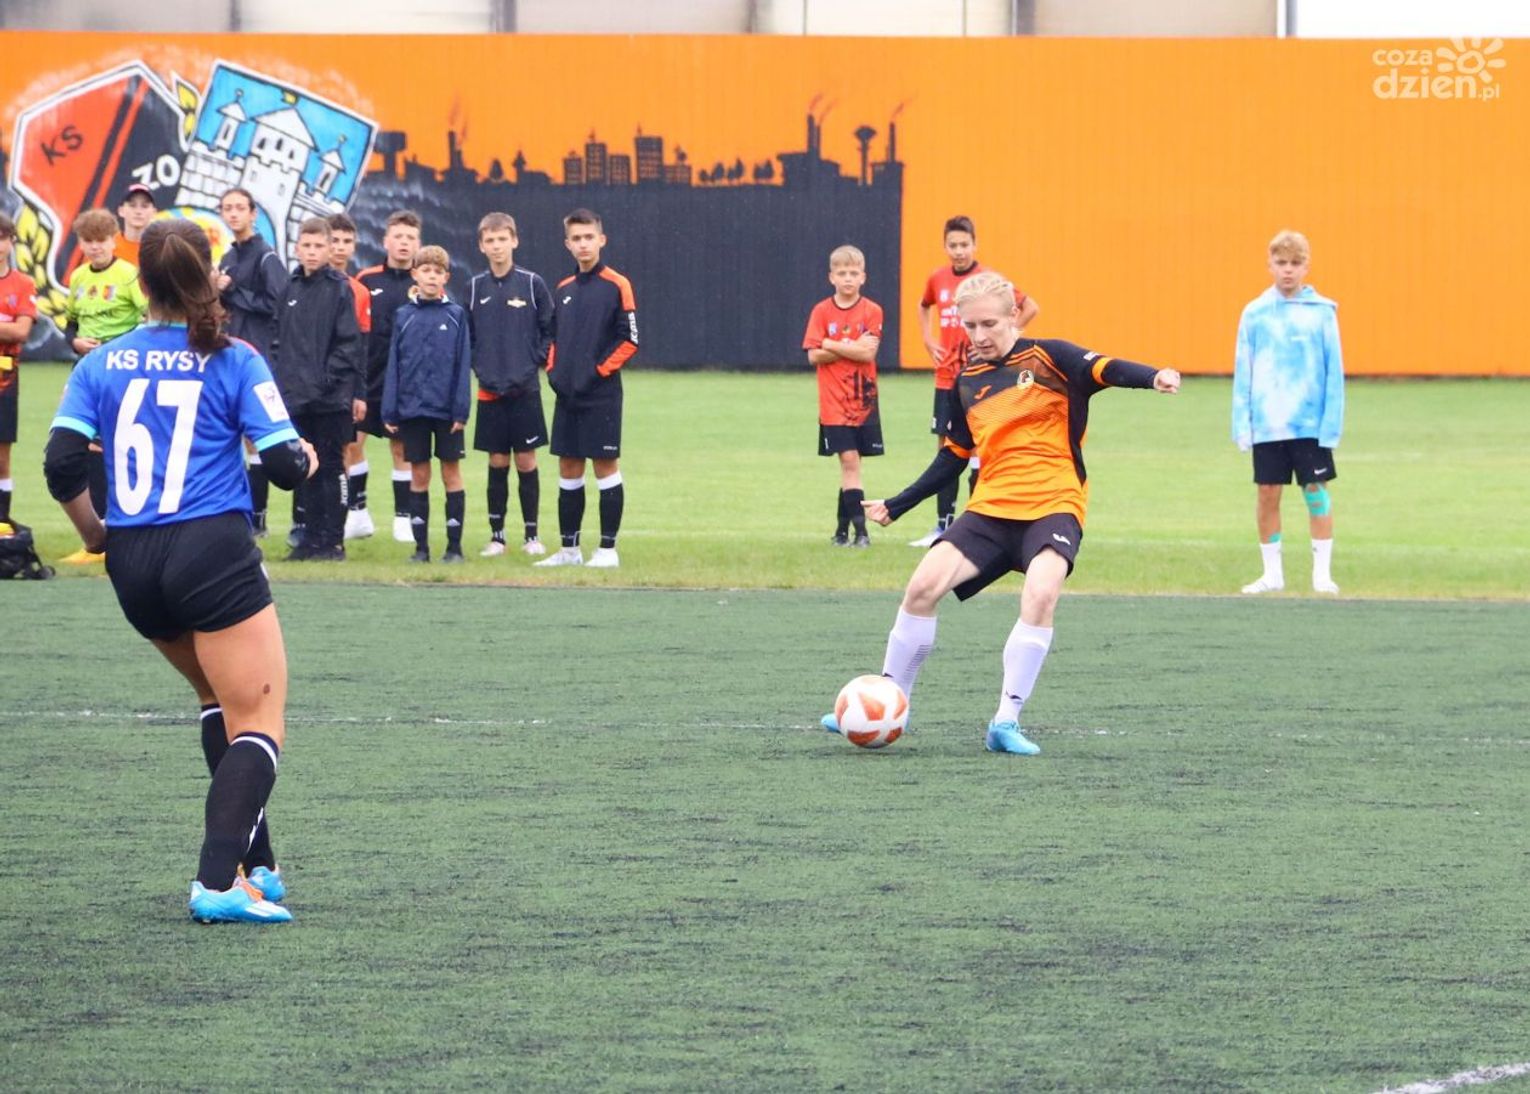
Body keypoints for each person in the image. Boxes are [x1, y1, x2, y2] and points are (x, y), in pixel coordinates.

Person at [42, 218, 317, 923]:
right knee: (260, 720)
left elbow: (61, 464)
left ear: (140, 283)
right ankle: (216, 883)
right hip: (210, 550)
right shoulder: (233, 356)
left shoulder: (100, 363)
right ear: (210, 278)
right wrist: (308, 457)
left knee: (218, 702)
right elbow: (285, 466)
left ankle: (259, 867)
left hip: (133, 560)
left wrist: (96, 535)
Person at [827, 271, 1181, 755]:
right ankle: (888, 703)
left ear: (1013, 315)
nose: (979, 336)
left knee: (1040, 594)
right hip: (991, 508)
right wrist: (898, 504)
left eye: (989, 324)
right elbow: (954, 456)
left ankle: (1006, 720)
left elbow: (1107, 368)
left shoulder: (1051, 357)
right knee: (922, 587)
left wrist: (1154, 376)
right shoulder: (967, 380)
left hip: (1054, 504)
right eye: (970, 326)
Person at [911, 215, 1040, 547]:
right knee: (947, 449)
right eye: (952, 245)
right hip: (947, 378)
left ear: (975, 245)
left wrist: (1007, 336)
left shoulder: (987, 281)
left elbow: (1030, 307)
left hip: (981, 378)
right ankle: (942, 526)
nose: (958, 251)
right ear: (944, 246)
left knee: (983, 448)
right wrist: (927, 339)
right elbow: (923, 305)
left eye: (964, 244)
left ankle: (978, 524)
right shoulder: (937, 278)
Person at [1232, 229, 1345, 596]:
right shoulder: (1255, 313)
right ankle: (1272, 573)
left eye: (1295, 263)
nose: (1288, 270)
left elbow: (1334, 372)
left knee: (1315, 491)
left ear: (1306, 266)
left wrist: (1331, 426)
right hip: (1268, 423)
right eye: (1281, 263)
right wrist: (1242, 425)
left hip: (1309, 424)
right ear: (1270, 265)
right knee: (1268, 493)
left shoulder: (1322, 313)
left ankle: (1322, 574)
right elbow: (1244, 370)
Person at [534, 208, 637, 569]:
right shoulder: (563, 288)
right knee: (568, 467)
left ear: (601, 240)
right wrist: (554, 372)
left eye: (589, 237)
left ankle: (607, 550)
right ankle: (569, 550)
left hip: (601, 395)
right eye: (576, 238)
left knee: (605, 466)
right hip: (567, 396)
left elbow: (630, 340)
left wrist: (597, 372)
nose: (583, 244)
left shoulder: (617, 284)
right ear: (567, 244)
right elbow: (553, 338)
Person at [270, 217, 362, 561]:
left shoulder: (339, 288)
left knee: (331, 467)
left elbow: (349, 345)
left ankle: (333, 541)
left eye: (318, 246)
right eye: (306, 246)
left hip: (330, 399)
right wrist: (285, 380)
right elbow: (277, 340)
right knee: (305, 467)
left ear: (329, 248)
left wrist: (325, 381)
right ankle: (308, 539)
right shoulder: (290, 288)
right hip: (297, 399)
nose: (312, 252)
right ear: (297, 248)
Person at [61, 207, 150, 558]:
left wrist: (123, 348)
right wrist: (75, 342)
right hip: (86, 370)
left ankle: (130, 526)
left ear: (114, 241)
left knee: (122, 441)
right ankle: (99, 531)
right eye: (88, 241)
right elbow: (70, 324)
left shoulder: (128, 275)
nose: (95, 247)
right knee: (86, 443)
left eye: (101, 240)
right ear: (81, 243)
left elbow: (149, 316)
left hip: (121, 370)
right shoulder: (79, 277)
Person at [467, 212, 554, 558]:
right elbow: (469, 337)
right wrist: (481, 367)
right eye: (490, 240)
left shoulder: (532, 284)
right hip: (490, 391)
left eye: (502, 239)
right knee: (497, 461)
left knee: (526, 461)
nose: (497, 246)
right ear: (481, 246)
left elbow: (549, 329)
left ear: (514, 241)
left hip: (525, 390)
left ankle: (532, 536)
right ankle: (497, 537)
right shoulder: (475, 287)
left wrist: (533, 361)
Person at [381, 244, 472, 564]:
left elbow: (462, 365)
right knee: (419, 475)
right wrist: (390, 409)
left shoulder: (456, 315)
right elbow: (394, 364)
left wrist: (461, 409)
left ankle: (454, 548)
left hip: (447, 412)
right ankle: (421, 549)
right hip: (413, 410)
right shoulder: (404, 316)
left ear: (446, 277)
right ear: (415, 275)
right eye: (426, 271)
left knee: (451, 474)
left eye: (438, 272)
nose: (432, 277)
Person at [215, 187, 287, 536]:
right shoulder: (228, 256)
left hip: (258, 356)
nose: (233, 214)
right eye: (227, 208)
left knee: (257, 436)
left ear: (253, 213)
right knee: (232, 434)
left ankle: (258, 517)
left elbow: (279, 305)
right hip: (228, 353)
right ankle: (238, 513)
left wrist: (232, 290)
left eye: (240, 208)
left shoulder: (265, 256)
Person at [803, 244, 883, 548]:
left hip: (863, 401)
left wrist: (830, 343)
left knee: (853, 466)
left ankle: (840, 532)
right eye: (842, 273)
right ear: (831, 277)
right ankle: (862, 533)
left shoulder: (872, 310)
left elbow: (868, 353)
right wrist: (850, 345)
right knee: (850, 462)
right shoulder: (821, 311)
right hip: (833, 403)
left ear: (863, 277)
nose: (848, 278)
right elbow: (813, 355)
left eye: (853, 272)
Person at [357, 210, 424, 544]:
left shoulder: (423, 282)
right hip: (368, 378)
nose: (404, 243)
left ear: (418, 243)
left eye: (410, 238)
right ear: (386, 241)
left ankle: (403, 519)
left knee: (402, 449)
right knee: (352, 443)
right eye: (398, 236)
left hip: (405, 383)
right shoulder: (366, 280)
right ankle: (357, 513)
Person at [327, 212, 376, 541]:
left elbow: (361, 347)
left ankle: (341, 519)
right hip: (309, 385)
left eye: (347, 241)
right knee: (311, 452)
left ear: (354, 246)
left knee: (343, 451)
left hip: (342, 386)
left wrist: (359, 391)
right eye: (335, 240)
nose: (340, 247)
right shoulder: (303, 285)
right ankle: (306, 522)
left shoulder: (359, 291)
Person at [0, 214, 37, 527]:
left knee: (2, 456)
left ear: (11, 242)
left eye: (2, 238)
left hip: (5, 377)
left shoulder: (23, 284)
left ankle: (2, 521)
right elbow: (12, 328)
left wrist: (12, 329)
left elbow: (22, 332)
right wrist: (6, 326)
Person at [114, 183, 157, 266]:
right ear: (121, 211)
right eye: (132, 205)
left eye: (144, 206)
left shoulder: (161, 249)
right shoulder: (108, 247)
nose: (138, 211)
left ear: (154, 212)